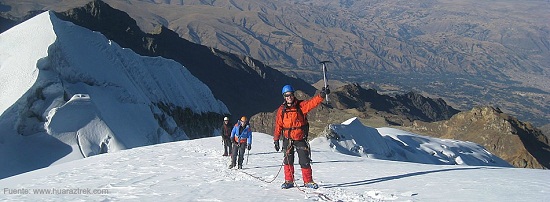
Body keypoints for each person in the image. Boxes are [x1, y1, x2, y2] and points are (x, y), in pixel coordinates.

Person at [273, 84, 329, 189]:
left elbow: (312, 103)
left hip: (300, 138)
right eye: (286, 95)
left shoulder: (301, 106)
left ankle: (308, 181)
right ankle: (289, 181)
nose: (289, 97)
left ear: (293, 95)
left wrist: (321, 95)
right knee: (288, 161)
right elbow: (278, 125)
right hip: (287, 138)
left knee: (304, 160)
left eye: (290, 95)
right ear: (284, 97)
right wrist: (276, 139)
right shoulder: (282, 110)